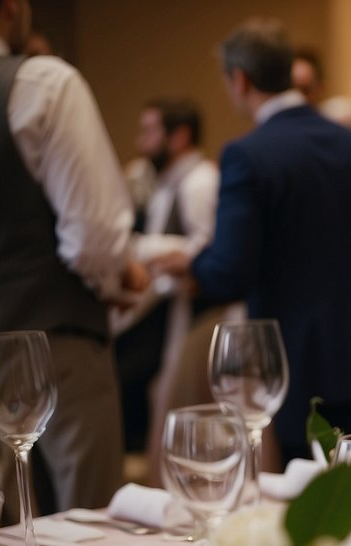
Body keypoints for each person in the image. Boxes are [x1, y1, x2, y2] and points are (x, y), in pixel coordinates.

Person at [152, 18, 351, 463]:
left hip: (289, 355)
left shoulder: (247, 153)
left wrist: (192, 265)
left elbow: (229, 272)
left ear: (240, 79)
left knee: (301, 492)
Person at [0, 0, 145, 515]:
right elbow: (94, 236)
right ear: (12, 7)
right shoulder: (41, 84)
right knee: (89, 520)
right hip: (51, 336)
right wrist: (120, 277)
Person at [115, 96, 220, 455]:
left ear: (179, 136)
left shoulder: (200, 182)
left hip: (194, 315)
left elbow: (208, 251)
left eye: (150, 131)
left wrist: (154, 253)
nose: (141, 142)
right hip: (164, 310)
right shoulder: (166, 184)